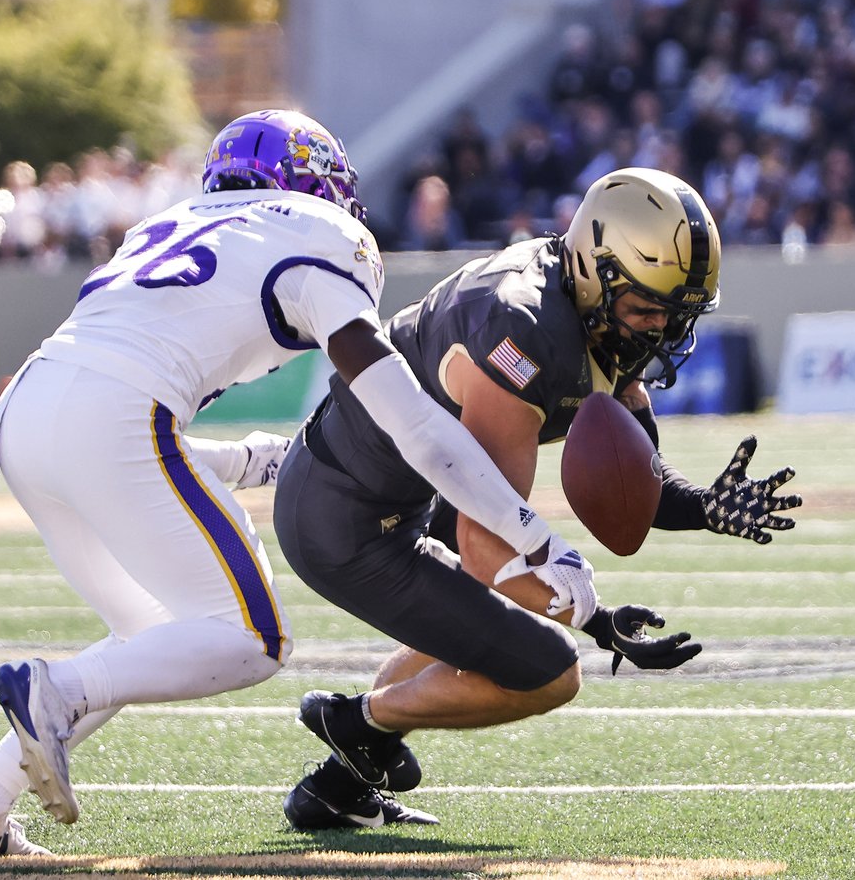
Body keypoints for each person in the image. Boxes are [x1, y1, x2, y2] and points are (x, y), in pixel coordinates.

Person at [0, 109, 595, 856]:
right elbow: (415, 424)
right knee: (254, 637)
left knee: (154, 635)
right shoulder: (319, 233)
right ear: (310, 182)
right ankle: (56, 691)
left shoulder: (169, 222)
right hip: (116, 414)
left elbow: (129, 436)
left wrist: (260, 459)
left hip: (30, 411)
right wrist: (530, 534)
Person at [275, 167, 802, 830]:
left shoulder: (594, 306)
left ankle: (338, 782)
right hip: (342, 514)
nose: (660, 329)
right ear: (596, 272)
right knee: (549, 670)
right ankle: (353, 720)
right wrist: (595, 619)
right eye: (646, 309)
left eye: (675, 312)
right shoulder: (526, 331)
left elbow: (639, 480)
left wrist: (702, 507)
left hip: (398, 496)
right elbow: (484, 537)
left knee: (492, 618)